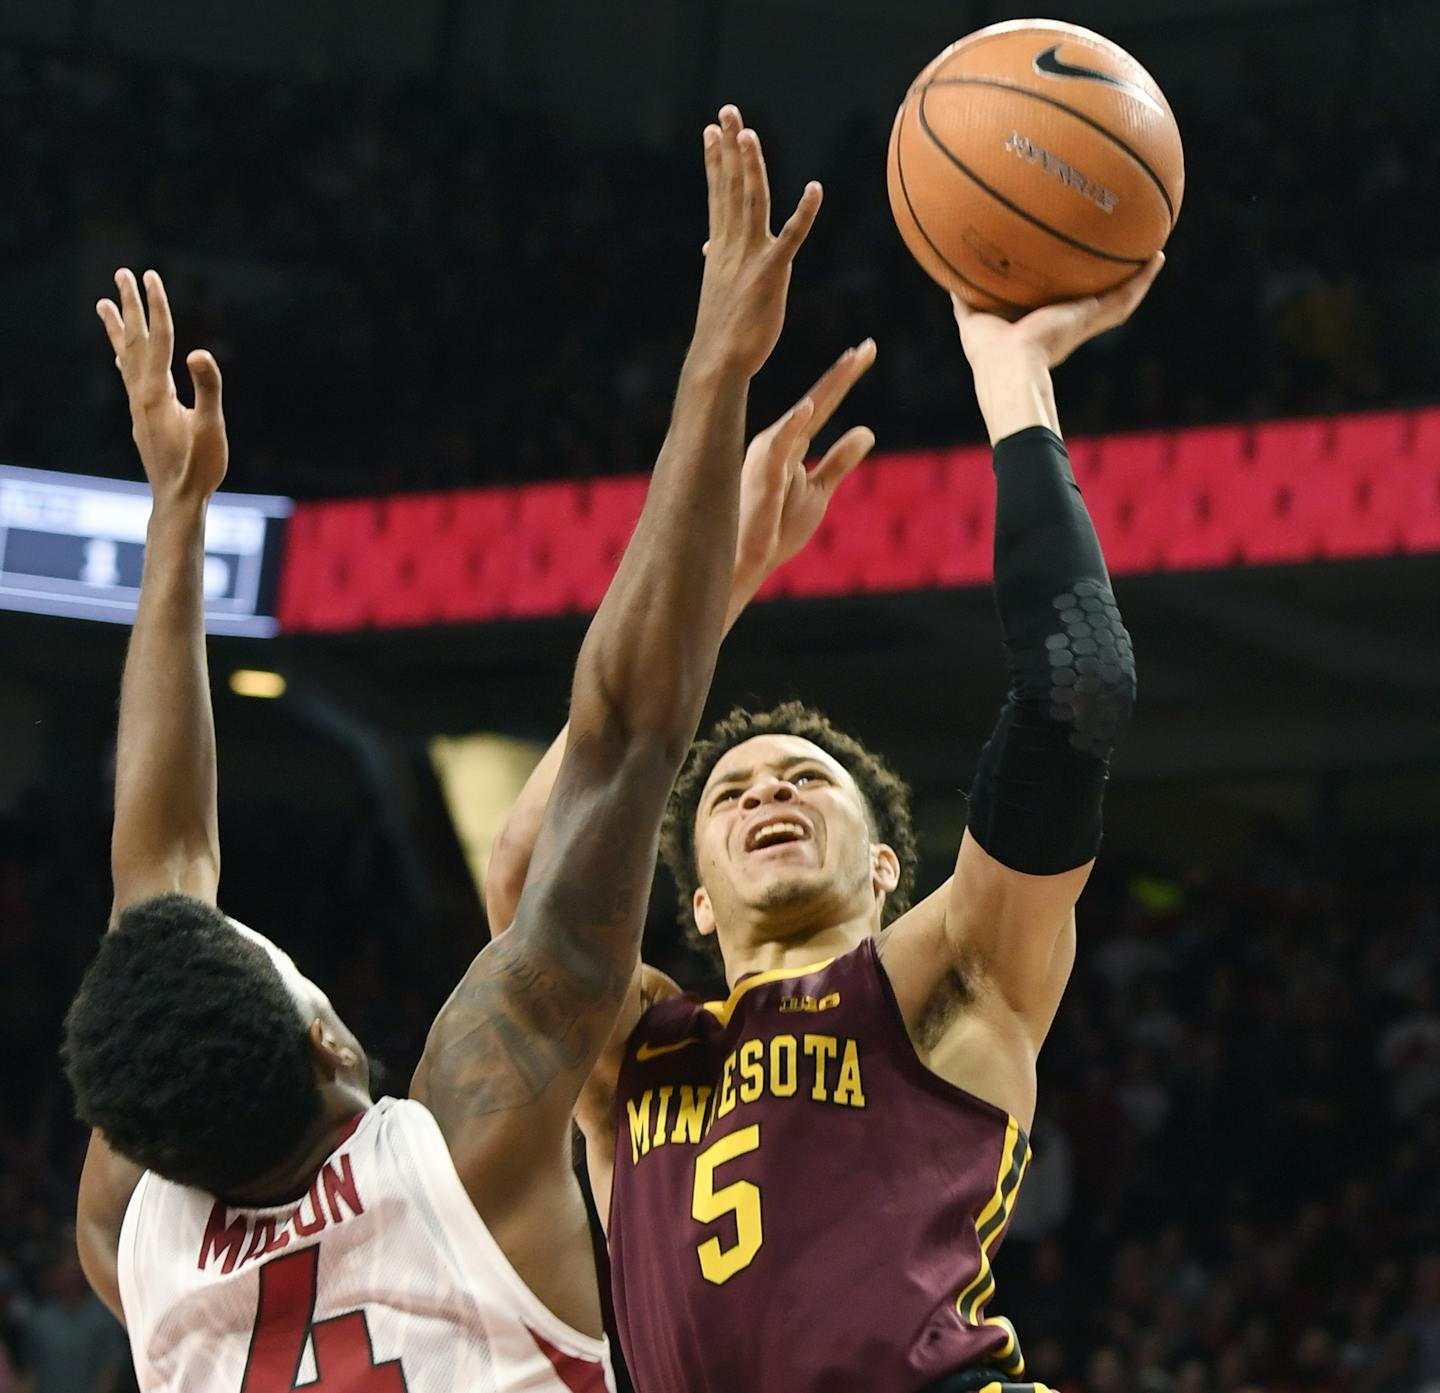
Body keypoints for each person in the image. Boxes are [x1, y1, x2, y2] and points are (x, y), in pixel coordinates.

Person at [61, 104, 825, 1392]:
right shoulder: (465, 1149)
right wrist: (713, 371)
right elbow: (623, 735)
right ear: (326, 1045)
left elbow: (163, 884)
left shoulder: (137, 1249)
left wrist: (180, 518)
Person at [486, 255, 1165, 1393]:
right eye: (730, 793)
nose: (767, 794)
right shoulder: (637, 1047)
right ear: (694, 898)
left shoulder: (949, 975)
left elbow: (1078, 686)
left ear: (888, 866)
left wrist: (1013, 375)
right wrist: (724, 577)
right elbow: (526, 875)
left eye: (806, 779)